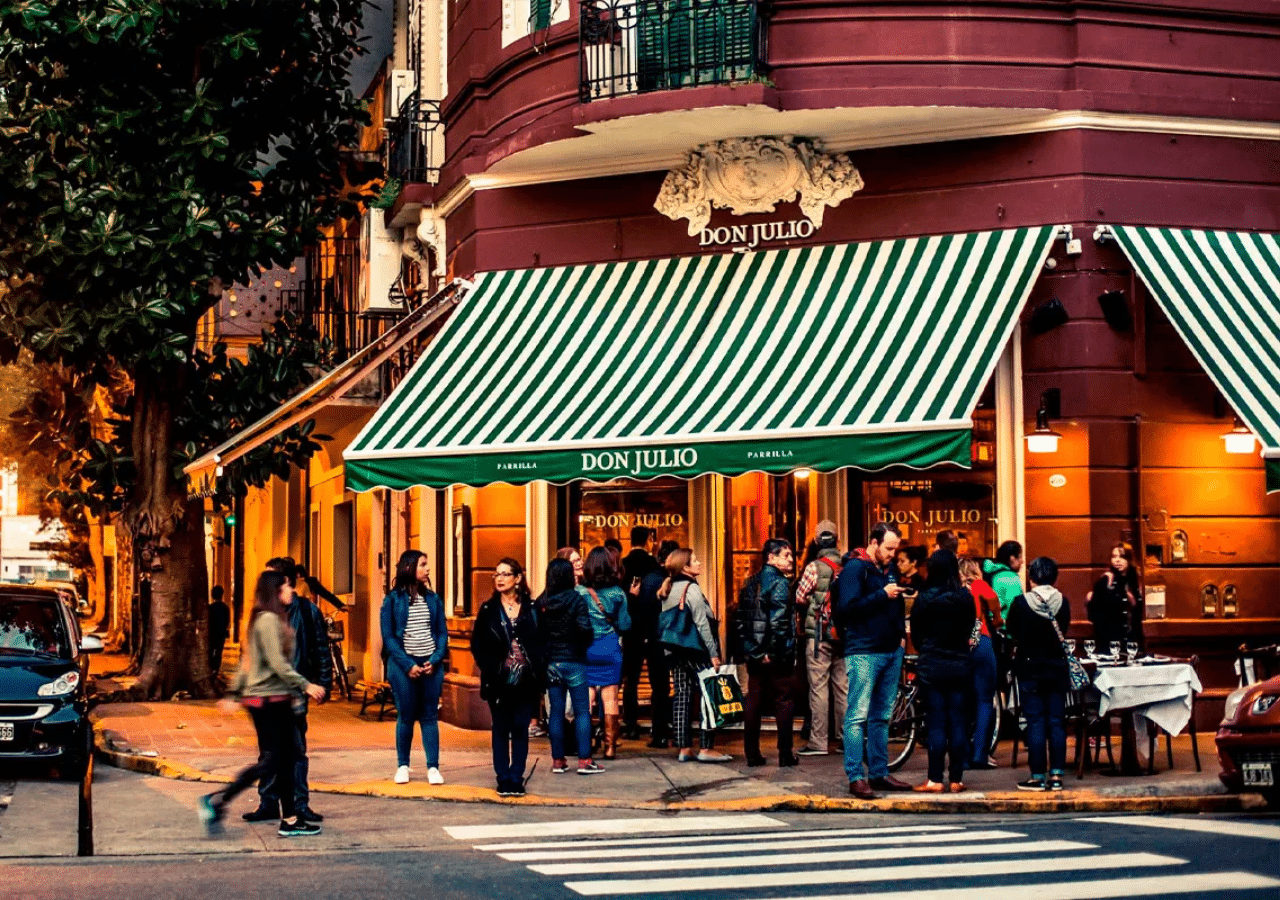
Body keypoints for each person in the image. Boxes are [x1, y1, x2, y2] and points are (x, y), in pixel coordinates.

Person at [199, 570, 327, 838]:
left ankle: (290, 820)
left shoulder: (261, 618)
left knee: (284, 760)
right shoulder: (269, 620)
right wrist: (306, 685)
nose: (292, 591)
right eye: (287, 587)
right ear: (276, 591)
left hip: (268, 698)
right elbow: (278, 664)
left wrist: (234, 694)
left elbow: (248, 662)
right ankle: (219, 800)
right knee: (274, 760)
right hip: (268, 700)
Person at [243, 557, 331, 824]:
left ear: (286, 582)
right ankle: (269, 802)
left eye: (271, 578)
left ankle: (299, 805)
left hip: (293, 695)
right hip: (268, 694)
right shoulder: (262, 613)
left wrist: (323, 684)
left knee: (295, 750)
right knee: (270, 751)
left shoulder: (306, 611)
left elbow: (320, 649)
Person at [836, 523, 911, 799]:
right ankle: (856, 776)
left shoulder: (888, 569)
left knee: (881, 715)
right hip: (864, 650)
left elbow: (896, 604)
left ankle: (879, 773)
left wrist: (901, 639)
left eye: (895, 549)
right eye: (889, 548)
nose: (892, 554)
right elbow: (846, 609)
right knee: (857, 715)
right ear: (873, 542)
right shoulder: (855, 569)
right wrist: (882, 595)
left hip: (890, 649)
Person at [471, 558, 543, 797]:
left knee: (521, 729)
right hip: (499, 681)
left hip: (525, 681)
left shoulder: (532, 609)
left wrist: (538, 669)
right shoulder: (488, 610)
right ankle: (502, 777)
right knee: (501, 728)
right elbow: (477, 644)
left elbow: (541, 643)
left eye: (505, 574)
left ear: (518, 579)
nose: (500, 579)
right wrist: (490, 668)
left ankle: (516, 776)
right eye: (496, 574)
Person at [380, 550, 449, 786]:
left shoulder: (433, 599)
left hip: (430, 664)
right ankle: (403, 765)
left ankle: (433, 767)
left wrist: (436, 658)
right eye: (423, 564)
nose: (427, 569)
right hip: (403, 666)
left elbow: (442, 632)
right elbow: (388, 638)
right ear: (410, 568)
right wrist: (408, 664)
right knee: (406, 716)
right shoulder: (392, 600)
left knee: (430, 716)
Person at [909, 551, 976, 792]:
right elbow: (970, 627)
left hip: (932, 665)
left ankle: (935, 779)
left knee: (936, 721)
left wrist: (926, 647)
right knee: (958, 721)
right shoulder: (965, 597)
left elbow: (916, 633)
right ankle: (957, 778)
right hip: (960, 664)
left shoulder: (925, 598)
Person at [1005, 556, 1071, 792]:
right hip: (1056, 667)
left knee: (1035, 721)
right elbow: (1064, 628)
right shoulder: (1063, 602)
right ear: (1055, 577)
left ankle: (1037, 775)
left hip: (1029, 667)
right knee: (1056, 721)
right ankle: (1056, 775)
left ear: (1031, 577)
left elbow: (1011, 631)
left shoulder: (1021, 603)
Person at [658, 549, 731, 763]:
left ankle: (684, 748)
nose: (699, 562)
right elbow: (702, 625)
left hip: (676, 650)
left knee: (682, 696)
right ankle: (706, 748)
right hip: (696, 651)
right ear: (686, 568)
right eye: (695, 560)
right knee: (709, 696)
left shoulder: (668, 589)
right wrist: (714, 654)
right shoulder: (692, 589)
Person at [737, 538, 799, 768]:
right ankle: (785, 753)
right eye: (785, 555)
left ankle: (752, 753)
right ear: (770, 558)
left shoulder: (749, 582)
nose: (790, 559)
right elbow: (779, 623)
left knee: (753, 701)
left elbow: (741, 621)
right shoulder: (781, 583)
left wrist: (752, 650)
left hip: (754, 654)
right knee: (783, 701)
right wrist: (771, 652)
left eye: (791, 555)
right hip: (775, 655)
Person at [538, 557, 603, 774]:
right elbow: (585, 629)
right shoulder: (577, 600)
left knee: (555, 712)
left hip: (551, 662)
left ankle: (558, 760)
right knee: (582, 711)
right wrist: (582, 646)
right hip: (575, 660)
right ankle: (584, 760)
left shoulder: (542, 602)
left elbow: (536, 633)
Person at [795, 523, 848, 756]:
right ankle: (847, 738)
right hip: (843, 636)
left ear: (816, 542)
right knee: (843, 688)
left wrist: (814, 605)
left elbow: (799, 596)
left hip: (818, 635)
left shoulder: (813, 567)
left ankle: (819, 742)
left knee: (818, 688)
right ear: (837, 540)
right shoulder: (847, 566)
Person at [581, 546, 631, 760]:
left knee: (587, 696)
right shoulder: (618, 593)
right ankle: (610, 746)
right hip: (610, 646)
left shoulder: (580, 593)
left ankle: (585, 743)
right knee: (610, 697)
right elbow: (625, 624)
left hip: (586, 647)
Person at [960, 555, 1003, 769]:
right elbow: (993, 598)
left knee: (963, 701)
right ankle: (980, 753)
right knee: (985, 699)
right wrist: (996, 618)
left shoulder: (954, 588)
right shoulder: (977, 584)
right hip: (979, 640)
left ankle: (963, 755)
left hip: (959, 646)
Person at [621, 526, 661, 740]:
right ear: (648, 540)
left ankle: (630, 725)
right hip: (653, 628)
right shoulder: (654, 566)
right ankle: (658, 728)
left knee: (631, 680)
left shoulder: (624, 565)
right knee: (658, 682)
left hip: (631, 630)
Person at [639, 540, 678, 748]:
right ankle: (679, 729)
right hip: (678, 639)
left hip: (655, 639)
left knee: (659, 687)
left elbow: (644, 613)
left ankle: (660, 731)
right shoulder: (680, 581)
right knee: (681, 686)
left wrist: (646, 636)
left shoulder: (649, 580)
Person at [1087, 543, 1139, 655]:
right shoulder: (1105, 581)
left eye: (1122, 557)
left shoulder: (1134, 582)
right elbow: (1094, 615)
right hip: (1109, 644)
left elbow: (1138, 615)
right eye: (1114, 557)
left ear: (1129, 560)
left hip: (1132, 643)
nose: (1117, 560)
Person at [984, 540, 1025, 618]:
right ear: (1012, 558)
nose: (1022, 561)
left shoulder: (991, 572)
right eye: (1020, 557)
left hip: (989, 625)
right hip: (1004, 626)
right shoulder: (1010, 579)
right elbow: (1016, 609)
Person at [207, 585, 230, 675]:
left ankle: (211, 668)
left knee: (210, 651)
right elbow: (227, 621)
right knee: (218, 652)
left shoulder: (210, 608)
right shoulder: (225, 608)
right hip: (221, 634)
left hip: (211, 633)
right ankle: (216, 669)